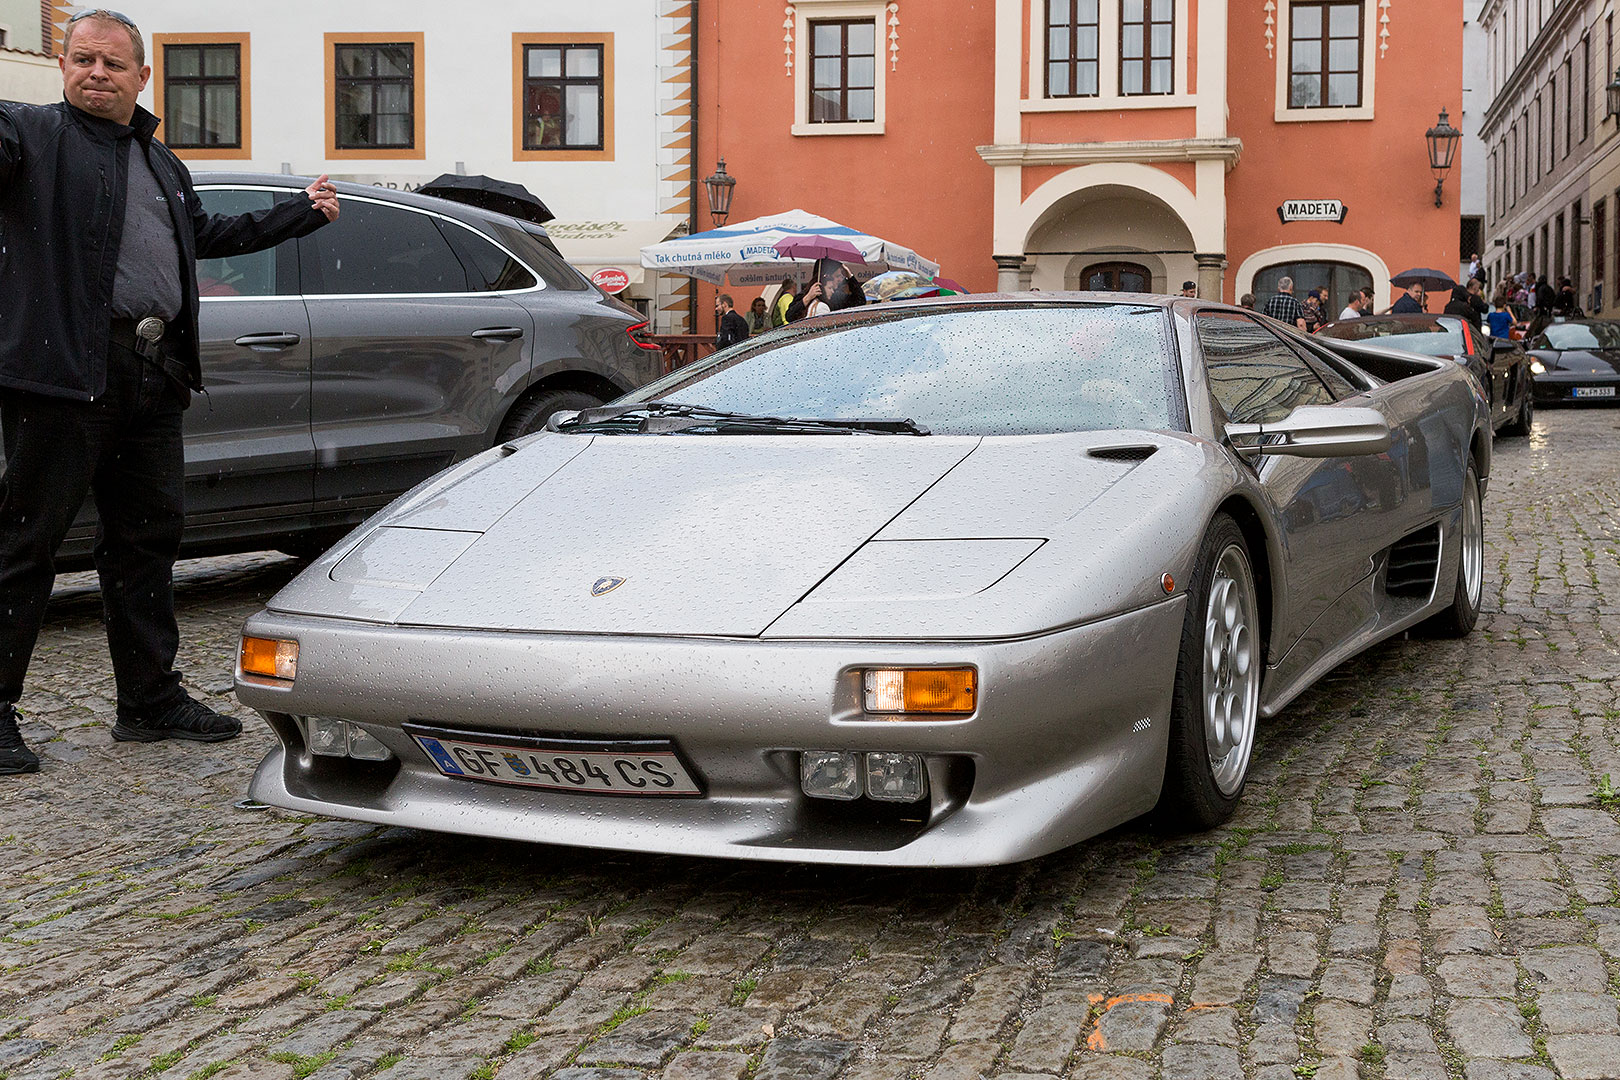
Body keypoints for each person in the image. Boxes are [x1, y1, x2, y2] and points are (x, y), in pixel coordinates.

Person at [0, 9, 339, 775]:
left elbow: (205, 233)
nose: (96, 73)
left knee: (148, 543)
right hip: (61, 375)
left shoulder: (160, 163)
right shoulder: (29, 135)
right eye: (82, 59)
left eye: (112, 64)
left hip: (154, 374)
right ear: (62, 65)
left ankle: (148, 702)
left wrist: (299, 215)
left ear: (142, 76)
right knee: (25, 545)